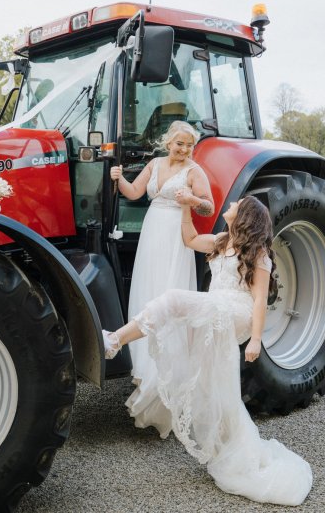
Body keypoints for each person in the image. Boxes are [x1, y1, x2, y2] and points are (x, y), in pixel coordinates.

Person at [102, 196, 312, 506]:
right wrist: (185, 203)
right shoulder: (220, 240)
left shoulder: (259, 253)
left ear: (246, 215)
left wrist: (255, 340)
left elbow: (257, 301)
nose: (231, 204)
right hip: (217, 306)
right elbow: (188, 238)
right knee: (210, 379)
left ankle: (114, 341)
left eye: (237, 203)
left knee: (173, 300)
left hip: (236, 310)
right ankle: (234, 445)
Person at [110, 120, 214, 437]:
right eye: (179, 143)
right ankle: (144, 368)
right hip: (152, 233)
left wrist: (191, 201)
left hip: (174, 238)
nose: (183, 149)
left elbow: (208, 208)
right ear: (168, 142)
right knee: (148, 292)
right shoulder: (154, 164)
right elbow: (135, 192)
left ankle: (167, 383)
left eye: (188, 145)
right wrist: (119, 179)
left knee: (168, 294)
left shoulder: (195, 171)